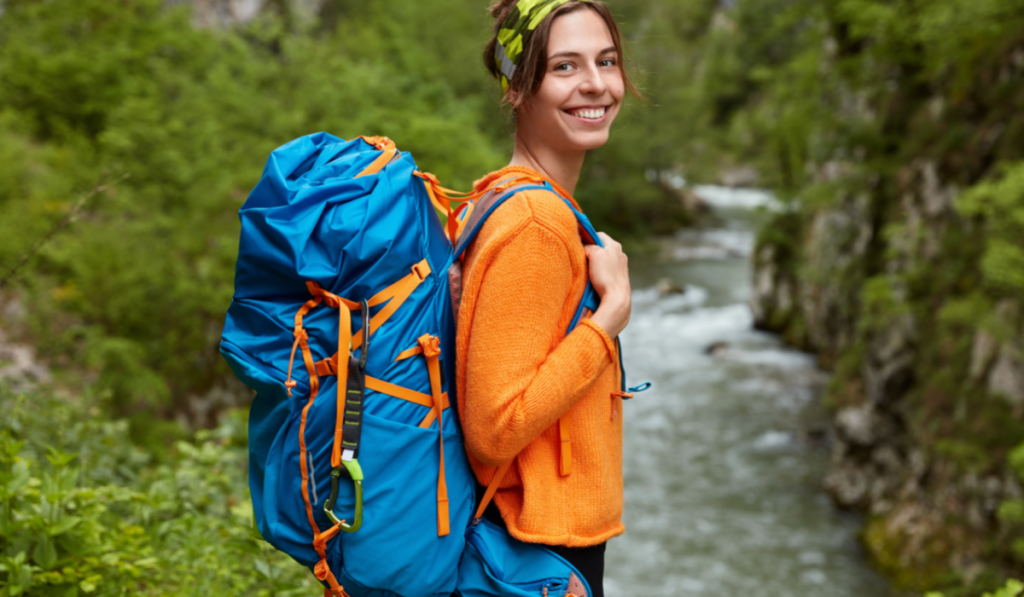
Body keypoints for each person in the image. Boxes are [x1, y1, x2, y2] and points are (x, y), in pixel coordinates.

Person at [455, 1, 641, 595]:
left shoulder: (501, 198)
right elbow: (494, 428)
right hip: (532, 558)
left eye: (605, 61)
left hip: (534, 546)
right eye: (564, 67)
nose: (596, 84)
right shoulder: (536, 223)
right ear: (518, 88)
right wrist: (606, 321)